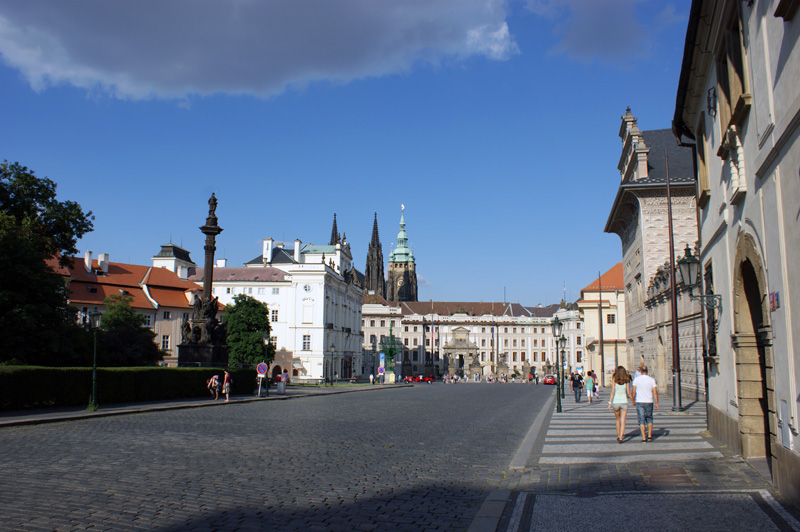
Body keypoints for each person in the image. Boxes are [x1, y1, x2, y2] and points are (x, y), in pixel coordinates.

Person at [632, 365, 658, 442]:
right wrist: (656, 402)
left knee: (641, 419)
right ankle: (649, 435)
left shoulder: (636, 379)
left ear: (640, 371)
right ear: (647, 371)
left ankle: (643, 437)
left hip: (639, 401)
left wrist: (633, 400)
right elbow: (655, 392)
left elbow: (633, 391)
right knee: (649, 418)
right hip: (649, 401)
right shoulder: (652, 380)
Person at [608, 366, 632, 443]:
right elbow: (628, 392)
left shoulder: (614, 380)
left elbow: (612, 392)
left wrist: (610, 403)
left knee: (617, 420)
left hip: (616, 402)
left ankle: (618, 435)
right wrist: (633, 400)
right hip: (624, 401)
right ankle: (621, 437)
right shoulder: (627, 380)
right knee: (623, 420)